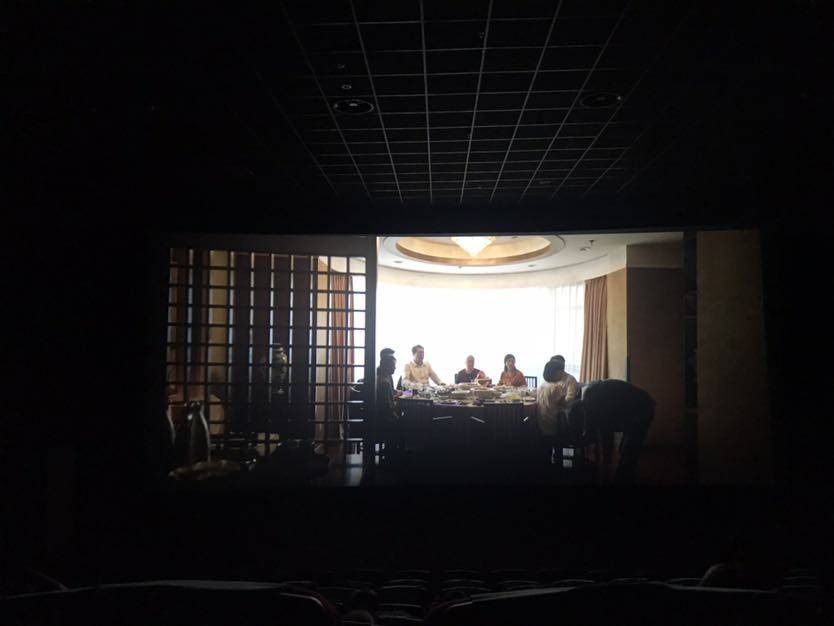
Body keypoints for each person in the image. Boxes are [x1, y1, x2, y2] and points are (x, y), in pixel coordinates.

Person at [567, 379, 654, 483]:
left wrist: (606, 462)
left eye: (580, 424)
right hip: (630, 408)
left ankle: (625, 480)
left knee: (629, 451)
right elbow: (598, 431)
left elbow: (606, 434)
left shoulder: (596, 405)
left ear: (581, 414)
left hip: (643, 408)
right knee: (624, 450)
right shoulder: (588, 402)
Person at [536, 356, 578, 436]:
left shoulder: (541, 386)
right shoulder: (555, 387)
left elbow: (569, 400)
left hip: (542, 419)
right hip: (554, 419)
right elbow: (563, 402)